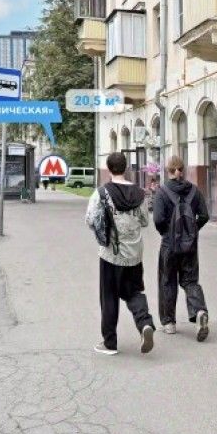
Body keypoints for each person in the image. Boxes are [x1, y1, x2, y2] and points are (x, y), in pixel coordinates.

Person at [84, 151, 155, 356]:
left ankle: (110, 343)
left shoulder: (102, 193)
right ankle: (145, 323)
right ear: (126, 168)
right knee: (134, 292)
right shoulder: (139, 194)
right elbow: (145, 221)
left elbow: (90, 219)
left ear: (108, 169)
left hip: (111, 254)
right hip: (134, 253)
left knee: (109, 296)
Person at [153, 155, 210, 341]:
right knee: (191, 280)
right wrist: (192, 231)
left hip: (169, 245)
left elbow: (158, 219)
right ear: (182, 170)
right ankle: (199, 311)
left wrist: (166, 233)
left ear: (168, 170)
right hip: (190, 245)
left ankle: (169, 323)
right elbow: (204, 215)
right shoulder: (194, 190)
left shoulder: (162, 192)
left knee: (167, 281)